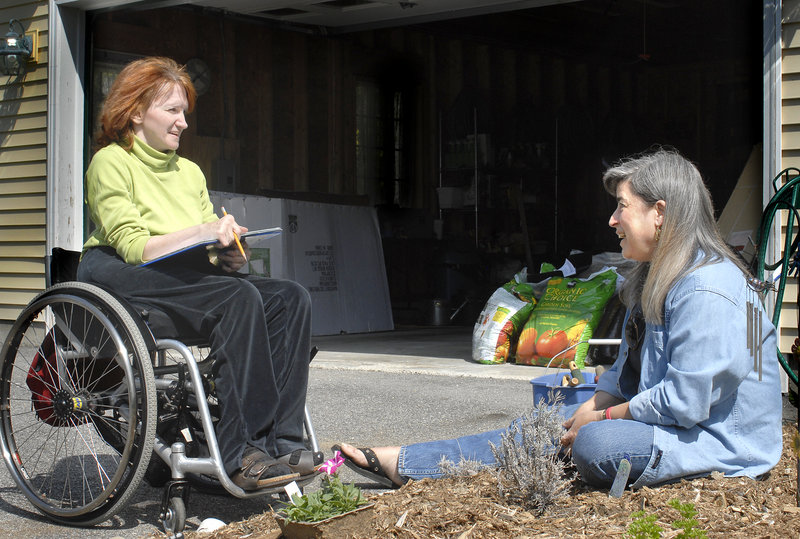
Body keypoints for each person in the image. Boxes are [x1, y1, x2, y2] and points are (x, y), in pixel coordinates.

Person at [338, 148, 783, 489]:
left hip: (718, 444)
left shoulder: (709, 288)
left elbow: (686, 403)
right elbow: (626, 371)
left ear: (661, 212)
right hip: (668, 426)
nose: (612, 220)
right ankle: (410, 463)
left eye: (622, 206)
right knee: (552, 418)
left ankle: (418, 465)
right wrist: (595, 404)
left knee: (594, 444)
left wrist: (604, 421)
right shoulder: (654, 277)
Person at [77, 56, 319, 490]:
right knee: (237, 299)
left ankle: (283, 440)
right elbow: (134, 246)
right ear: (135, 112)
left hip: (183, 276)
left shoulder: (188, 171)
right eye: (172, 110)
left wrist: (228, 256)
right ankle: (242, 451)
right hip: (123, 275)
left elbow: (203, 248)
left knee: (290, 297)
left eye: (184, 112)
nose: (183, 122)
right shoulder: (111, 163)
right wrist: (204, 230)